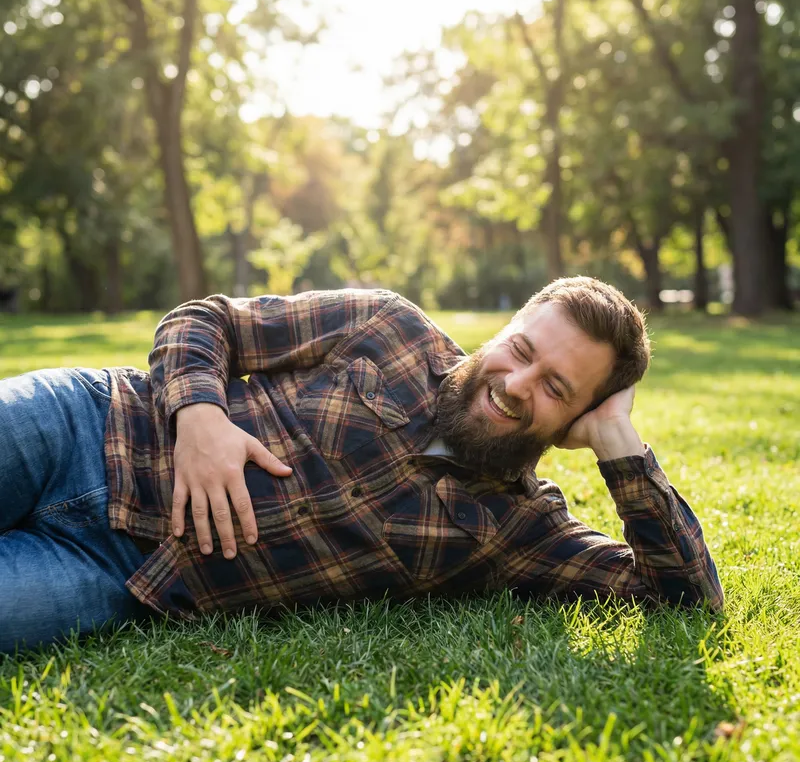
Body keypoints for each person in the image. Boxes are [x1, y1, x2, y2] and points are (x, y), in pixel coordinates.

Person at [0, 277, 723, 654]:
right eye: (522, 351)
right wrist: (200, 417)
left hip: (112, 572)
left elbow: (684, 597)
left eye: (556, 391)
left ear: (575, 425)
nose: (515, 385)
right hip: (86, 424)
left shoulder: (519, 531)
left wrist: (621, 440)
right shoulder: (387, 326)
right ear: (504, 332)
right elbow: (204, 319)